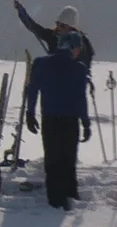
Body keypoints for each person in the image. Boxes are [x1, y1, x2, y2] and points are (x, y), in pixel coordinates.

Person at [22, 31, 94, 209]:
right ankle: (70, 195)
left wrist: (30, 114)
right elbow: (81, 99)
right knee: (68, 160)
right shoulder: (80, 69)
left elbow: (32, 91)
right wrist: (85, 122)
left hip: (50, 118)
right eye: (78, 49)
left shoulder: (40, 63)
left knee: (52, 159)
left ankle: (55, 199)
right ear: (74, 48)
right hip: (71, 120)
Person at [13, 0, 97, 72]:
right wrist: (21, 11)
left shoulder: (83, 42)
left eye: (63, 26)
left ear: (71, 27)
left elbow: (87, 62)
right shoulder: (52, 36)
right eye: (58, 24)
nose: (59, 28)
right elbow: (33, 27)